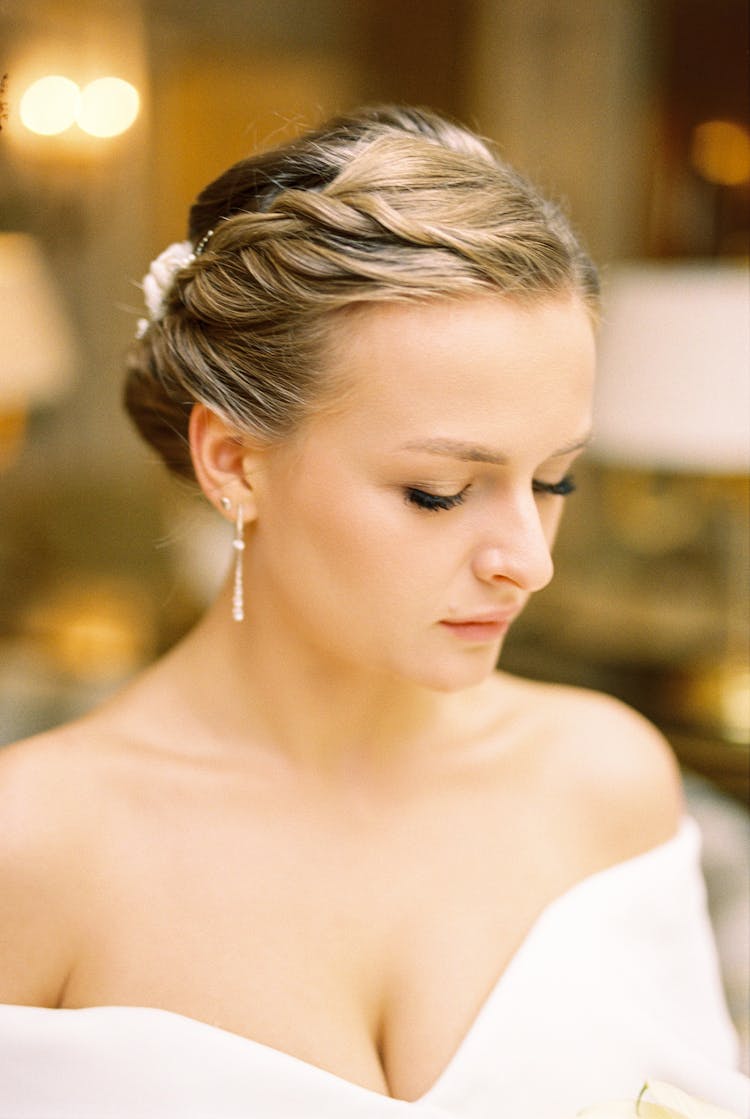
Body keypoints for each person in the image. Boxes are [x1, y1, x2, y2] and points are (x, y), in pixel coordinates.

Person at [0, 106, 746, 1119]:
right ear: (234, 461)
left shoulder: (608, 784)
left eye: (556, 482)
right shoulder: (33, 849)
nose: (527, 563)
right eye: (439, 490)